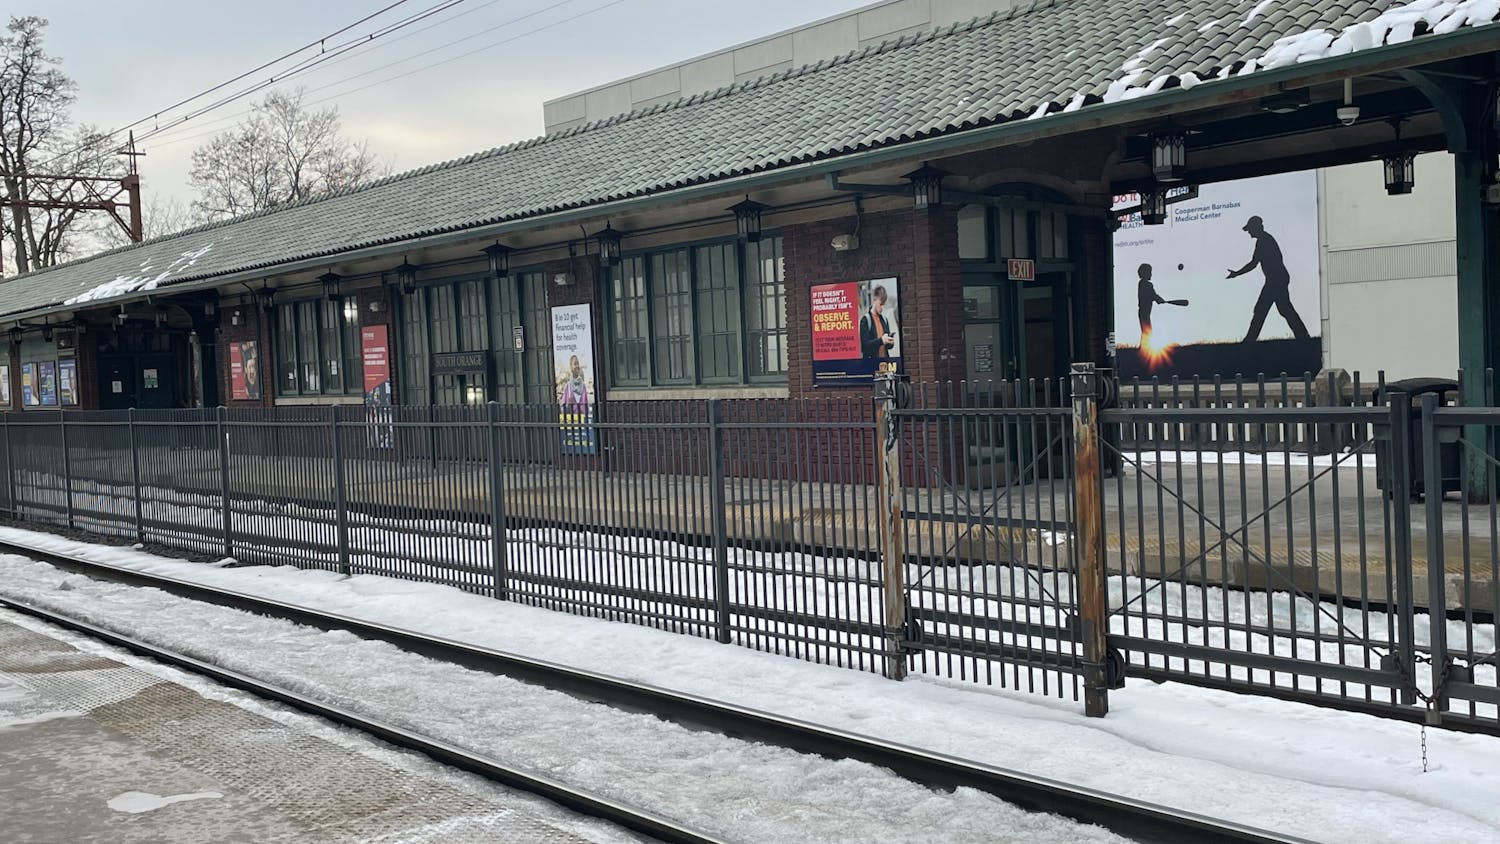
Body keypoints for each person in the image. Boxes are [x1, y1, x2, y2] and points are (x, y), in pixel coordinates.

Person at [1227, 215, 1311, 343]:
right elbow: (1255, 263)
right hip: (1277, 279)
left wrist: (1237, 273)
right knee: (1284, 309)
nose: (1249, 232)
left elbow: (1253, 264)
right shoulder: (1264, 240)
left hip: (1275, 280)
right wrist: (1237, 273)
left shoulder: (1264, 241)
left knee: (1263, 309)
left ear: (1256, 228)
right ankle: (1303, 336)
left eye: (1250, 229)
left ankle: (1249, 340)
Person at [859, 284, 898, 359]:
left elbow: (887, 347)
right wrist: (881, 340)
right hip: (871, 366)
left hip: (884, 365)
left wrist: (890, 342)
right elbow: (865, 347)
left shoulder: (884, 320)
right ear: (874, 299)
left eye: (884, 305)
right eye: (881, 304)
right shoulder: (865, 320)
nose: (882, 308)